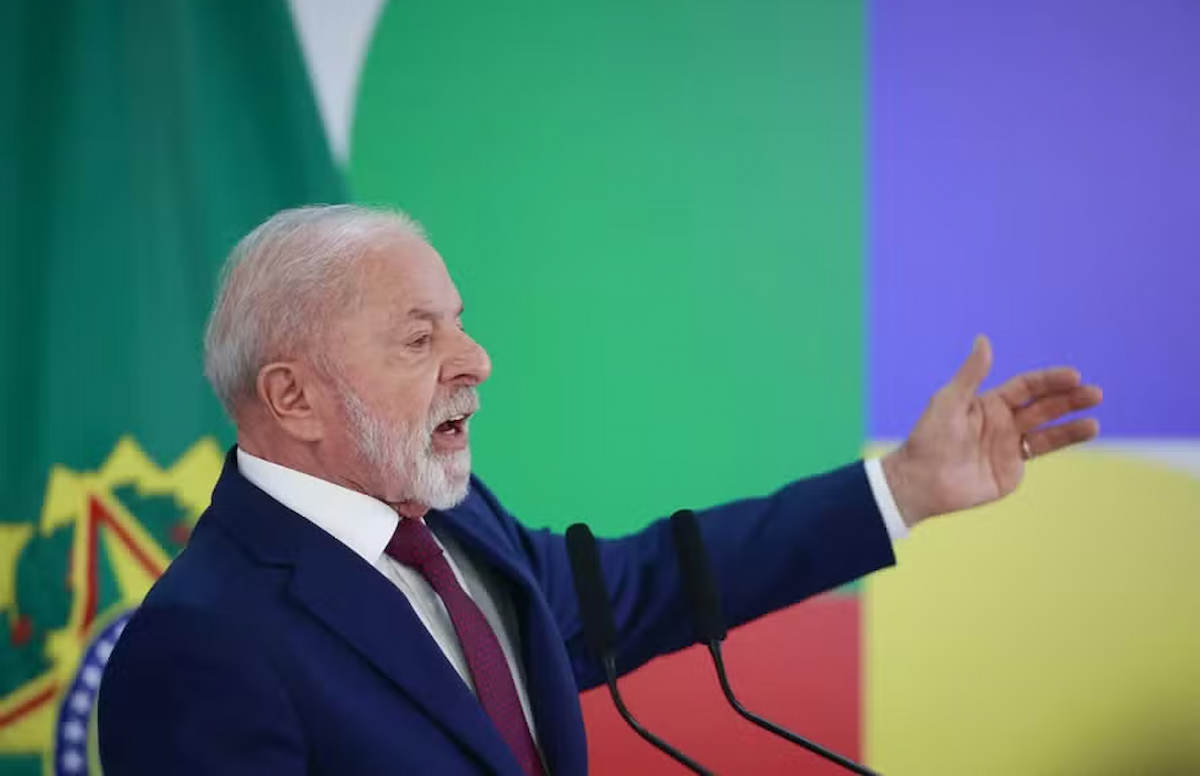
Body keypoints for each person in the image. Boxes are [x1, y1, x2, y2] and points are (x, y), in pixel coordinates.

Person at [97, 205, 1102, 775]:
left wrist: (905, 488)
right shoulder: (197, 649)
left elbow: (644, 587)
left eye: (459, 321)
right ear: (292, 397)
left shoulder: (454, 519)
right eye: (419, 338)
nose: (476, 360)